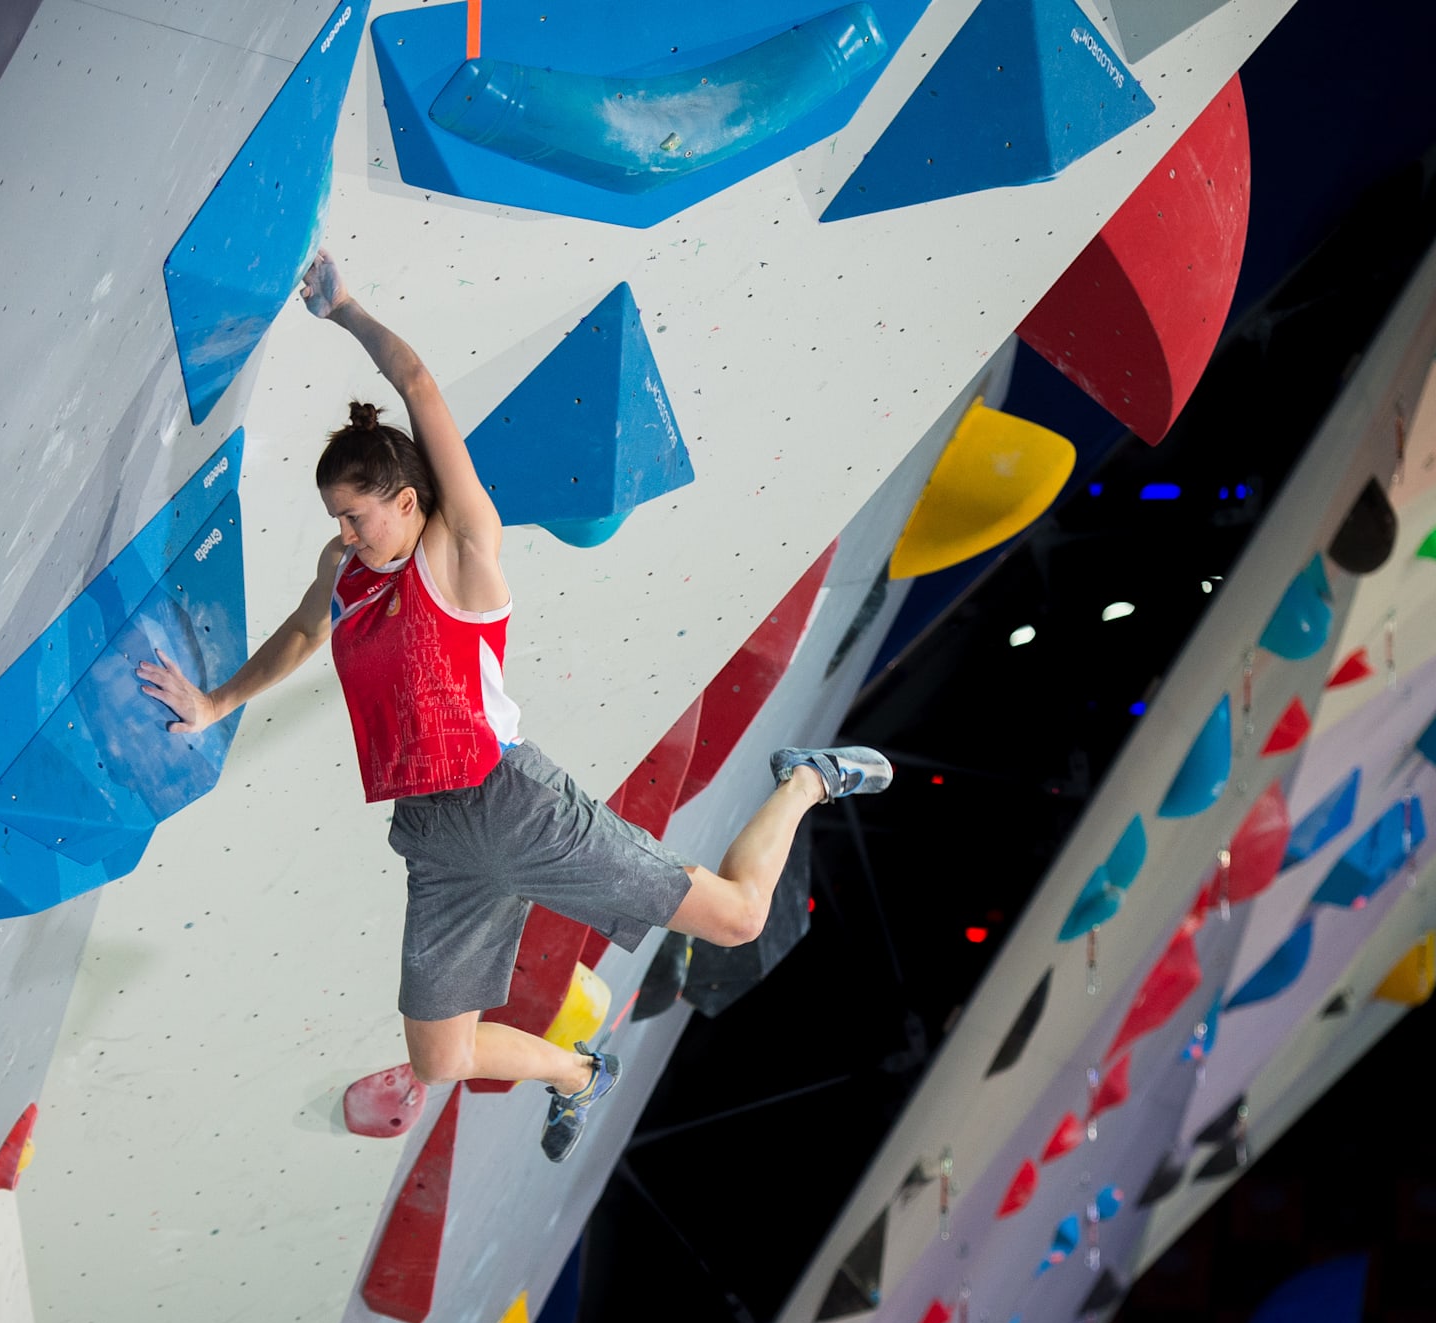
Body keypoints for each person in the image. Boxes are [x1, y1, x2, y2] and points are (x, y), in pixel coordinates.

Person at [138, 249, 891, 1161]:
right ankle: (579, 1074)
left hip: (517, 808)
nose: (342, 534)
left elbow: (416, 384)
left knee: (736, 917)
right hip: (436, 836)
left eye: (356, 516)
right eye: (335, 518)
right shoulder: (346, 576)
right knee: (443, 1055)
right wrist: (216, 704)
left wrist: (349, 313)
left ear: (409, 502)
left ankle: (806, 780)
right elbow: (301, 635)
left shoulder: (458, 550)